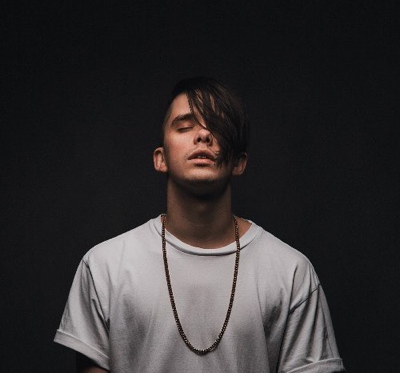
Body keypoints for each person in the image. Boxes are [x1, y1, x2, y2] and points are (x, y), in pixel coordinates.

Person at [54, 77, 345, 372]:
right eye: (184, 126)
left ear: (239, 162)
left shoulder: (291, 272)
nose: (204, 135)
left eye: (217, 127)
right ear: (160, 158)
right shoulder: (103, 267)